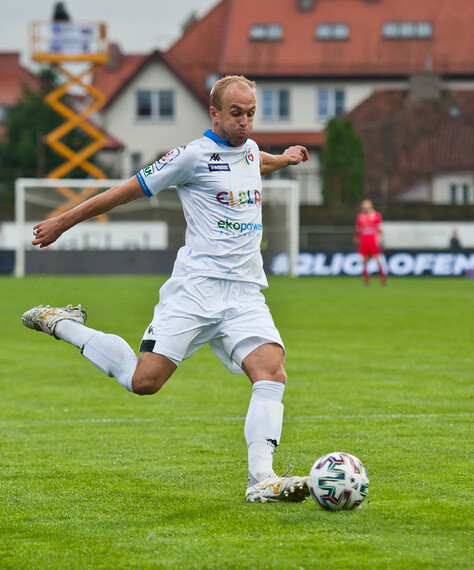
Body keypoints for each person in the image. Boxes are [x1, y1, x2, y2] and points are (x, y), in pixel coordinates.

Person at [21, 75, 311, 504]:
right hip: (195, 291)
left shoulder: (248, 150)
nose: (245, 122)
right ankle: (63, 324)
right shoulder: (189, 157)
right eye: (236, 113)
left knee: (271, 371)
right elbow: (125, 192)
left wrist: (283, 159)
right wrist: (63, 221)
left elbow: (256, 160)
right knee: (144, 382)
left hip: (246, 293)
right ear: (214, 113)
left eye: (250, 113)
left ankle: (261, 479)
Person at [354, 199, 387, 285]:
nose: (365, 206)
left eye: (367, 204)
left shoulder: (376, 215)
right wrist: (357, 240)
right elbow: (358, 230)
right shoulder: (360, 216)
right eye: (364, 204)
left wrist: (380, 240)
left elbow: (379, 229)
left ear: (370, 205)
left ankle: (382, 278)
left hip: (373, 239)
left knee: (378, 259)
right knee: (364, 260)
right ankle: (366, 280)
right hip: (364, 240)